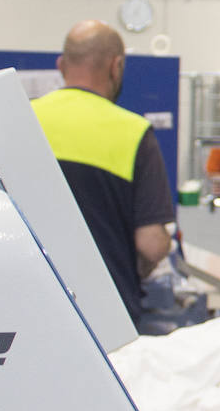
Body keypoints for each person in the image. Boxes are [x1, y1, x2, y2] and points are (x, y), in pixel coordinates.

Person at [32, 20, 174, 329]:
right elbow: (151, 243)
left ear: (61, 65)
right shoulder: (134, 133)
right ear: (116, 65)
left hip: (29, 303)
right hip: (106, 313)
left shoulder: (23, 119)